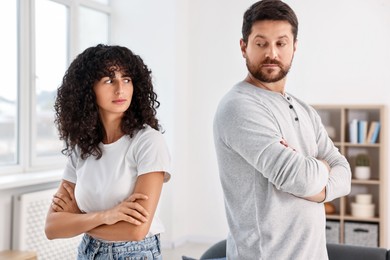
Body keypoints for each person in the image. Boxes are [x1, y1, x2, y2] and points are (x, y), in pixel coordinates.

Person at [213, 0, 351, 259]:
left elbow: (345, 175)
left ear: (294, 47)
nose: (272, 53)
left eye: (281, 43)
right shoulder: (239, 107)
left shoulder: (304, 109)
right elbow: (300, 179)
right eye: (261, 43)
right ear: (244, 47)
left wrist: (314, 180)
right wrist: (321, 165)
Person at [45, 44, 171, 260]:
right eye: (109, 80)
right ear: (88, 89)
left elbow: (136, 231)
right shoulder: (81, 148)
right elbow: (52, 227)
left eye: (127, 79)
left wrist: (78, 220)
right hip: (88, 252)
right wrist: (108, 216)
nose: (120, 89)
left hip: (134, 253)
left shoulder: (148, 141)